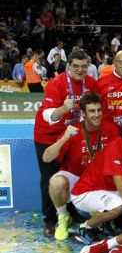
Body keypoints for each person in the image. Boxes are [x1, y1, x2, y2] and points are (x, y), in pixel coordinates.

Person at [33, 50, 96, 237]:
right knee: (49, 177)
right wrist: (62, 108)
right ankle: (50, 220)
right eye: (76, 66)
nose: (80, 69)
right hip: (48, 135)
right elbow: (47, 114)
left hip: (73, 135)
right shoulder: (56, 83)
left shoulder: (91, 83)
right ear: (68, 66)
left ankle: (72, 212)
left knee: (71, 172)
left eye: (84, 66)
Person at [42, 93, 118, 240]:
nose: (97, 115)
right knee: (56, 182)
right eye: (91, 111)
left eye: (99, 110)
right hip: (76, 176)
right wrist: (65, 138)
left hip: (98, 179)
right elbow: (46, 158)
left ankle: (98, 216)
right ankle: (64, 217)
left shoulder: (110, 128)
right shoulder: (74, 130)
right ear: (83, 113)